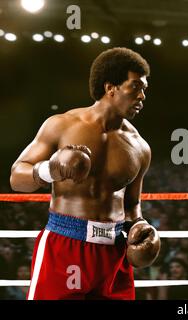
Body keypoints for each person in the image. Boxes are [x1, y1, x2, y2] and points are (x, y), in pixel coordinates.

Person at [10, 47, 160, 300]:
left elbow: (132, 206)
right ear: (110, 87)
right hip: (65, 245)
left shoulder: (140, 147)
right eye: (135, 87)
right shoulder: (62, 125)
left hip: (114, 251)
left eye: (144, 88)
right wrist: (51, 169)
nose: (142, 95)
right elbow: (17, 176)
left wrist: (142, 229)